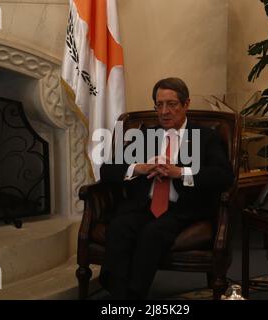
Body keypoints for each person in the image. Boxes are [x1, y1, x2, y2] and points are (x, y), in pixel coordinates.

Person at [98, 77, 234, 299]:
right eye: (159, 104)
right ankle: (119, 296)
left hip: (182, 209)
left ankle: (134, 295)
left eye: (171, 104)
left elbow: (223, 176)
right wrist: (139, 167)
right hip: (144, 206)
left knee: (153, 234)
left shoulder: (206, 137)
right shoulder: (144, 136)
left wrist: (179, 172)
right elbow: (107, 171)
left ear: (186, 104)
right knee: (120, 227)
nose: (164, 111)